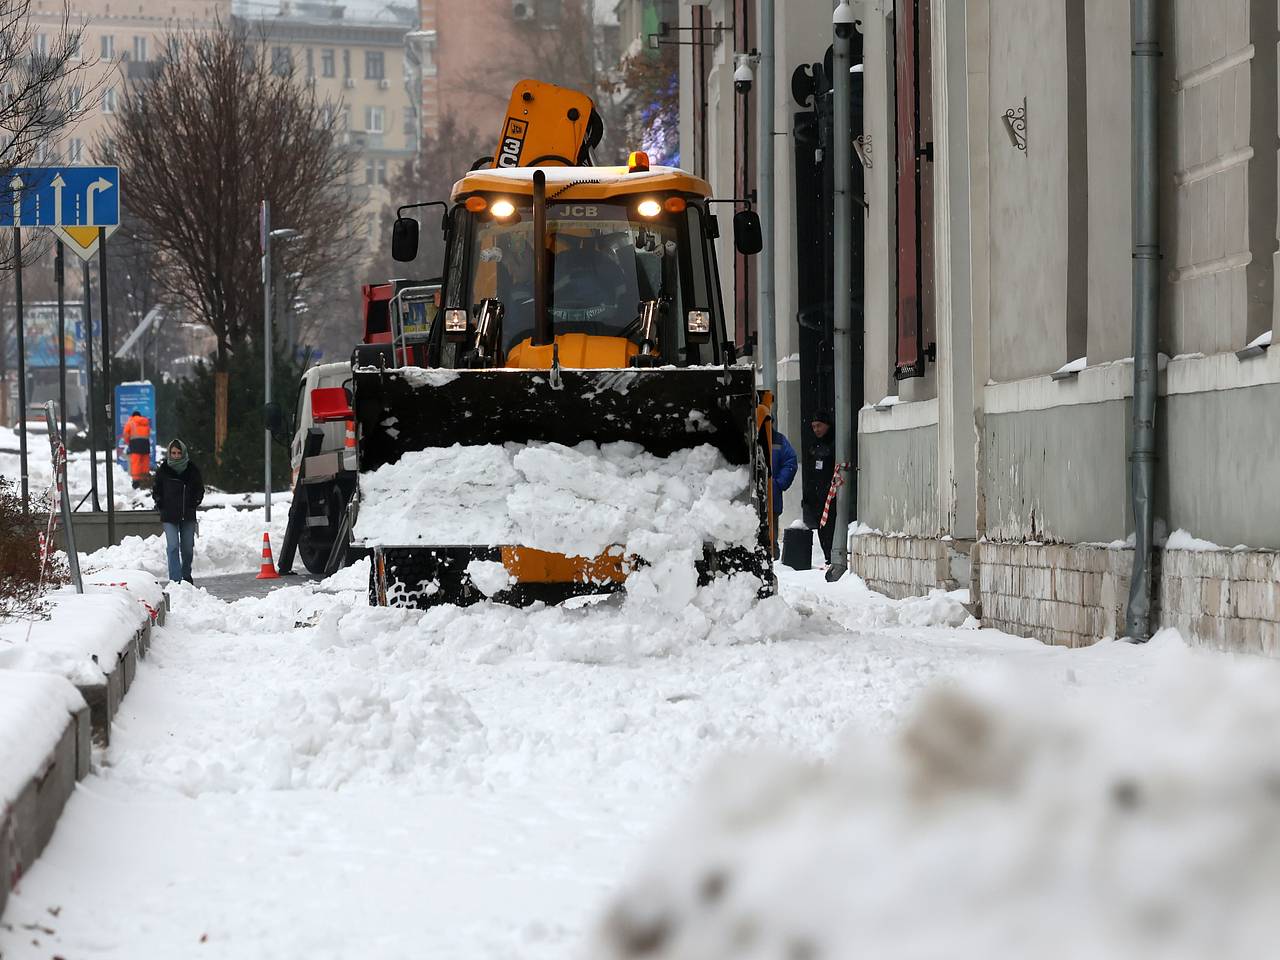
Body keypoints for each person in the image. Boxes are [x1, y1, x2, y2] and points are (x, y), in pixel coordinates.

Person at [153, 439, 204, 585]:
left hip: (187, 514)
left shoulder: (192, 470)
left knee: (187, 548)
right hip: (169, 515)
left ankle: (186, 575)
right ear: (169, 453)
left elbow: (199, 489)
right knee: (173, 547)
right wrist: (160, 502)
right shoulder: (163, 470)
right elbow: (157, 489)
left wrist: (195, 501)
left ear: (183, 453)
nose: (176, 456)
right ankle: (175, 580)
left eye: (178, 453)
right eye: (173, 453)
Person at [802, 410, 836, 561]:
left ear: (827, 425)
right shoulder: (814, 446)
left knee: (830, 526)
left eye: (819, 426)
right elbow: (810, 473)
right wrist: (808, 495)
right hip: (817, 494)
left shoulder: (834, 443)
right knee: (821, 527)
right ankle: (827, 555)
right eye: (814, 426)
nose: (816, 429)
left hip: (830, 493)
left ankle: (832, 555)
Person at [770, 425, 798, 557]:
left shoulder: (778, 440)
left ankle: (772, 555)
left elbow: (790, 462)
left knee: (770, 532)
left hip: (771, 495)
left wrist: (778, 483)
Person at [122, 409, 152, 488]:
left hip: (135, 444)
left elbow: (125, 434)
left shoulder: (131, 422)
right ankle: (145, 479)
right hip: (145, 443)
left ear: (133, 416)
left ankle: (136, 481)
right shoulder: (145, 422)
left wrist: (129, 442)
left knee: (136, 462)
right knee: (145, 461)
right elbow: (148, 433)